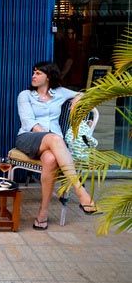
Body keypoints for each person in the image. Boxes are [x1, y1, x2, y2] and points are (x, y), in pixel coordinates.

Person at [15, 61, 97, 230]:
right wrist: (49, 137)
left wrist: (77, 99)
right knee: (55, 139)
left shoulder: (59, 93)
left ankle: (42, 214)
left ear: (48, 76)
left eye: (38, 73)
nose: (33, 76)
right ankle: (80, 191)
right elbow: (28, 122)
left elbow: (84, 94)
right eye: (33, 72)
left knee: (51, 159)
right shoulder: (25, 95)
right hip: (29, 138)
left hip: (53, 146)